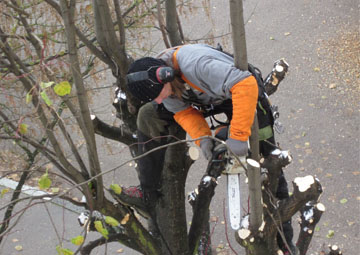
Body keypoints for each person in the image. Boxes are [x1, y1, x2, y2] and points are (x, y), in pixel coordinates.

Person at [118, 44, 294, 254]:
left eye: (157, 94)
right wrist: (203, 139)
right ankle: (148, 191)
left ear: (165, 76)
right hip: (211, 99)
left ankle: (284, 240)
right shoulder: (167, 87)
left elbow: (245, 84)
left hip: (242, 90)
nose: (158, 99)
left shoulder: (197, 65)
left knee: (270, 161)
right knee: (148, 114)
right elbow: (183, 113)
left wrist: (238, 136)